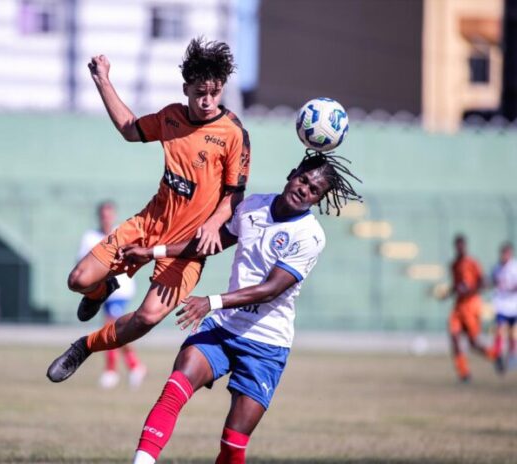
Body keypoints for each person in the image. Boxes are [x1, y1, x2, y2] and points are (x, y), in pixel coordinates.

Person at [119, 151, 362, 464]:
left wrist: (211, 302)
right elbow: (207, 244)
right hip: (223, 328)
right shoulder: (252, 206)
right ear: (292, 174)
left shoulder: (310, 236)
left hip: (266, 344)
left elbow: (270, 290)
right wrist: (153, 251)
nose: (304, 189)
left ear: (318, 199)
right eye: (303, 180)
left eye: (314, 190)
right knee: (175, 387)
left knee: (232, 445)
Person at [47, 37, 250, 383]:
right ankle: (101, 290)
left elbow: (235, 194)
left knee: (148, 317)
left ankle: (85, 346)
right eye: (200, 92)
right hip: (147, 225)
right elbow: (130, 129)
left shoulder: (233, 134)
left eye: (215, 93)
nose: (207, 100)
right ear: (186, 89)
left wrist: (215, 222)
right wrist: (103, 81)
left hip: (186, 249)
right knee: (78, 281)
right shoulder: (171, 117)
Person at [77, 201, 146, 389]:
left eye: (109, 214)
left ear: (114, 215)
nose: (106, 218)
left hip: (120, 289)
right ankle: (135, 366)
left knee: (110, 326)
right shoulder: (90, 237)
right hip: (100, 290)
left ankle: (111, 371)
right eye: (103, 215)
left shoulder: (121, 233)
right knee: (114, 329)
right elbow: (82, 263)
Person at [447, 235, 496, 382]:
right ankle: (464, 373)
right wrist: (447, 293)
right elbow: (456, 286)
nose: (460, 248)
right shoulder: (453, 265)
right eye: (457, 246)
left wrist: (470, 290)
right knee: (454, 337)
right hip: (458, 307)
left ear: (465, 246)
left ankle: (494, 355)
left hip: (471, 306)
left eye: (462, 245)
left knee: (473, 343)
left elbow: (483, 282)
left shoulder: (473, 263)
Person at [491, 242, 517, 372]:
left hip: (514, 306)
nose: (504, 256)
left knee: (513, 333)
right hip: (501, 305)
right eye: (503, 253)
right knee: (499, 330)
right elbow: (491, 282)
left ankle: (512, 356)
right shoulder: (496, 268)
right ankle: (498, 355)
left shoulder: (515, 267)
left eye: (507, 253)